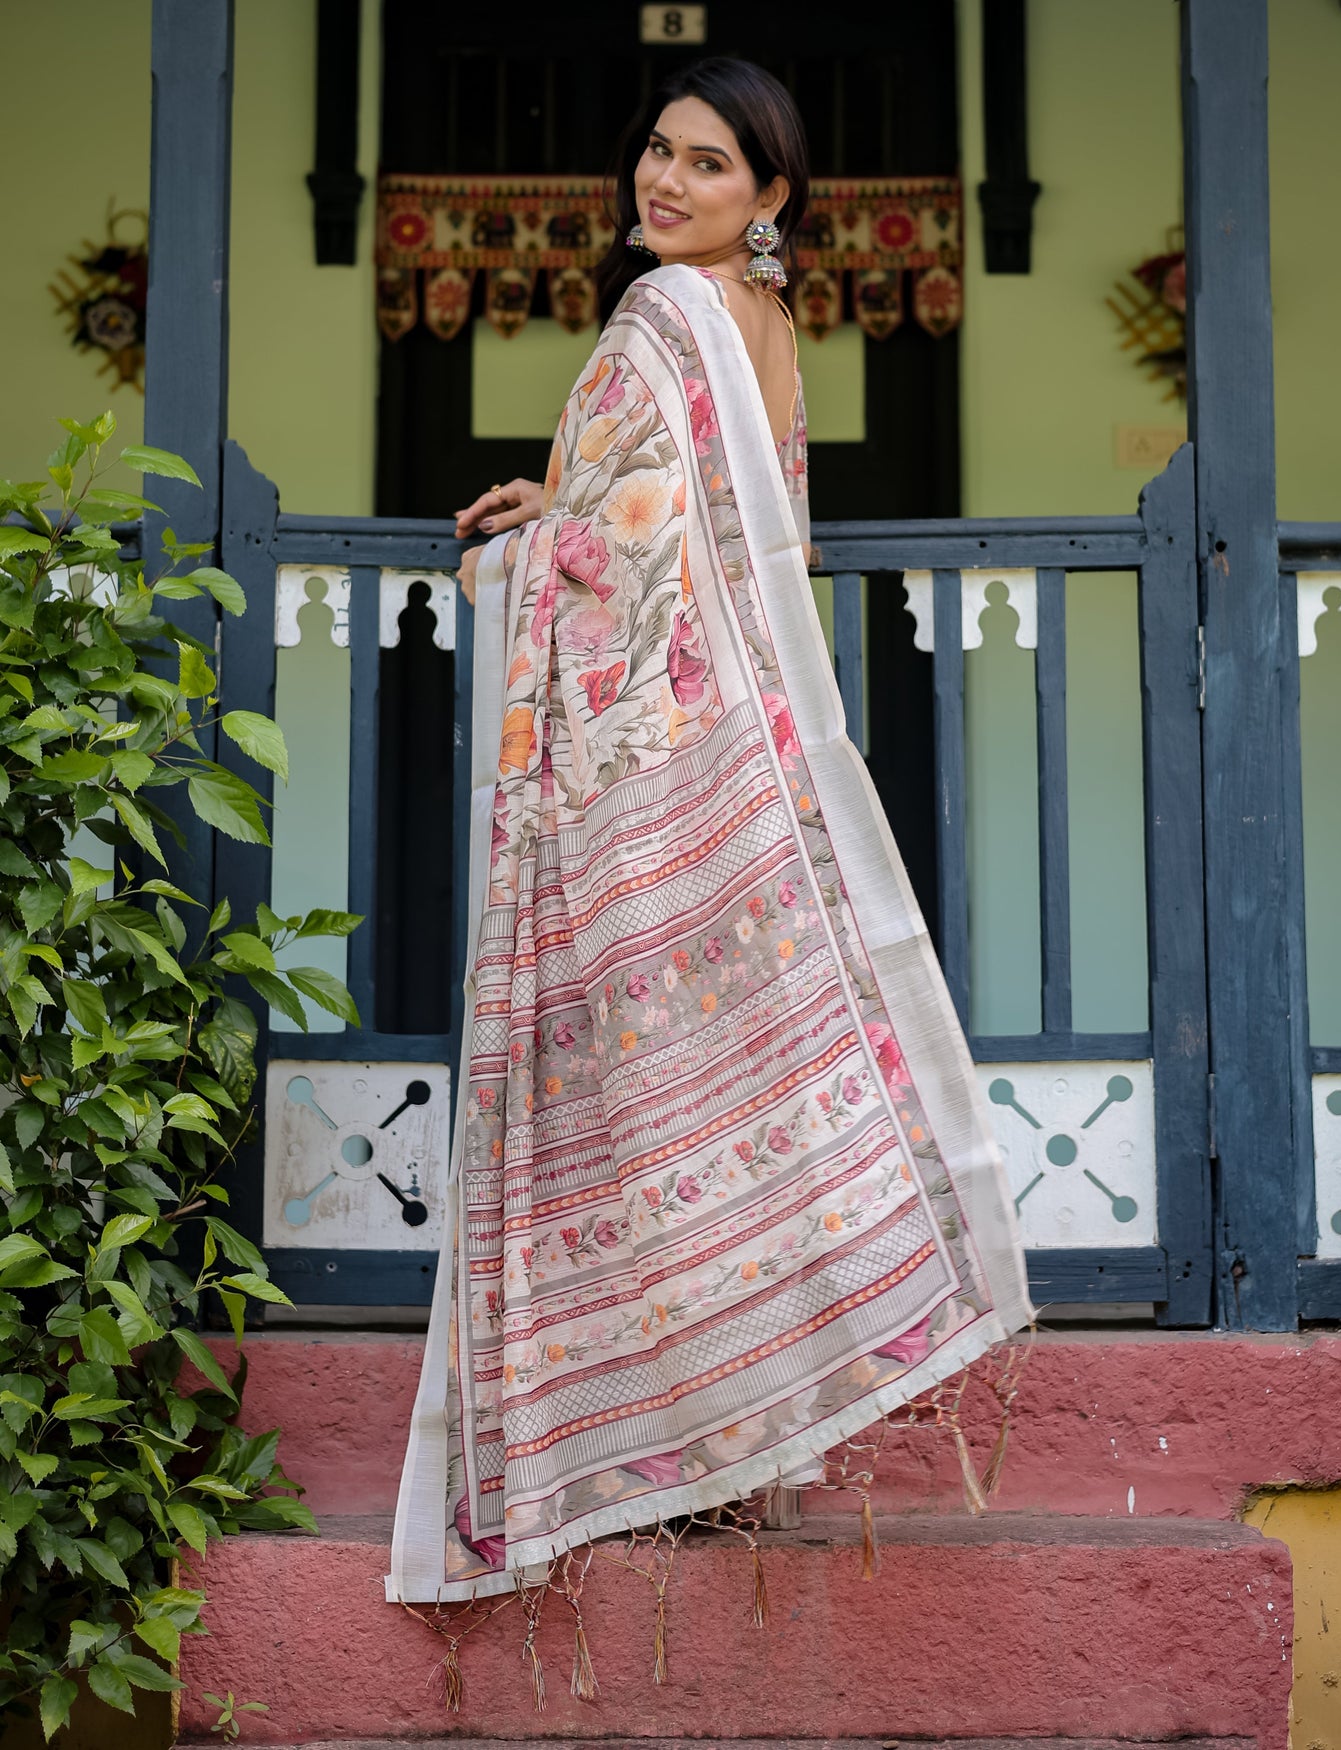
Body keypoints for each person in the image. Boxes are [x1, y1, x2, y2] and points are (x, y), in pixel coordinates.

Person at [389, 57, 1029, 1622]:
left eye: (709, 166)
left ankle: (658, 1439)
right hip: (735, 756)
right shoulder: (765, 330)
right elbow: (699, 528)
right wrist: (557, 508)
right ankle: (738, 1441)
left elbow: (624, 548)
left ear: (772, 199)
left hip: (644, 774)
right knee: (733, 1085)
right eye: (657, 154)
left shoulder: (661, 322)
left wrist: (524, 552)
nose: (664, 185)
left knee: (635, 1095)